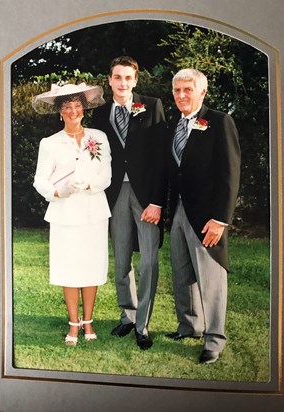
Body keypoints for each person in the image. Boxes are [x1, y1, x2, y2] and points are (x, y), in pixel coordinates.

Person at [90, 56, 167, 350]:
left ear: (135, 80)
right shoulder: (100, 114)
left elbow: (162, 158)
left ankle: (143, 325)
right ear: (109, 80)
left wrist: (157, 201)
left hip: (147, 197)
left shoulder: (152, 106)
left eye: (128, 78)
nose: (123, 83)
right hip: (114, 195)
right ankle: (127, 315)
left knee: (148, 260)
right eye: (117, 77)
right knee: (121, 259)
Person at [165, 68, 241, 364]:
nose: (182, 95)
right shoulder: (173, 125)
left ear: (202, 92)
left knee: (211, 280)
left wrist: (220, 219)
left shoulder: (220, 122)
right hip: (179, 211)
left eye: (187, 90)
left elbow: (230, 174)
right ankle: (190, 326)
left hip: (207, 216)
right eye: (177, 91)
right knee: (182, 274)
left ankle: (214, 340)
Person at [32, 82, 112, 346]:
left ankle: (88, 321)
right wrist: (59, 191)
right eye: (67, 108)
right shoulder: (50, 143)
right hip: (65, 214)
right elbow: (40, 180)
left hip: (94, 212)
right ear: (60, 113)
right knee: (69, 268)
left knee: (90, 266)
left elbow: (106, 175)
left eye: (77, 106)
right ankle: (73, 324)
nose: (73, 111)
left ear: (84, 110)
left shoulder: (98, 138)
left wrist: (89, 184)